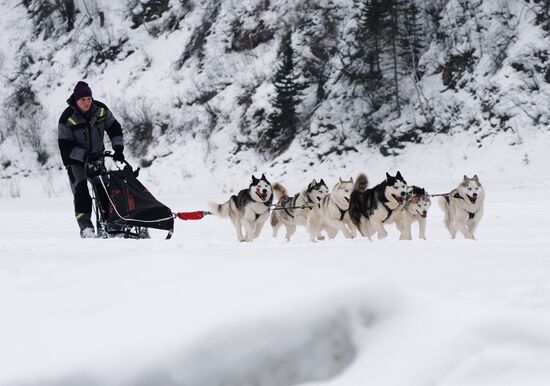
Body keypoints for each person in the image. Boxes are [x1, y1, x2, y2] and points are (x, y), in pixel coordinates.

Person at [58, 81, 125, 238]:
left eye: (89, 98)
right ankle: (86, 228)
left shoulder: (101, 110)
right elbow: (65, 147)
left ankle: (108, 224)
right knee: (81, 192)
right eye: (83, 100)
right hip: (76, 162)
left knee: (103, 190)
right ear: (76, 100)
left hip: (97, 157)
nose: (87, 102)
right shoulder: (67, 117)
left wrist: (118, 149)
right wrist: (83, 155)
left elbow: (114, 128)